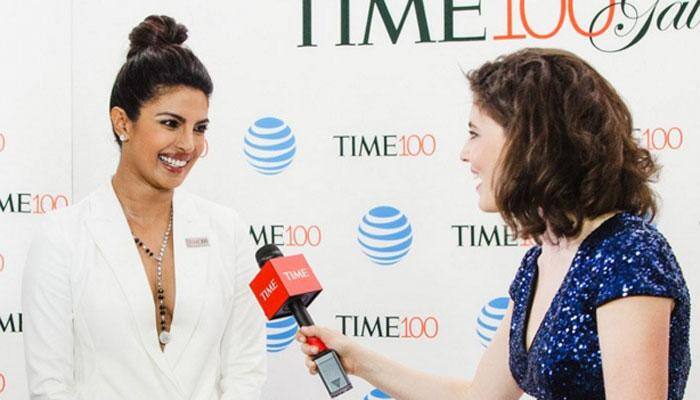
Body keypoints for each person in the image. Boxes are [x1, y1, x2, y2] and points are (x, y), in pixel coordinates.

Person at [297, 48, 690, 400]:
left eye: (474, 134)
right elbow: (477, 397)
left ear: (529, 141)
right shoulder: (541, 259)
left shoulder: (627, 253)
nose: (465, 154)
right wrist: (356, 359)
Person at [22, 15, 266, 400]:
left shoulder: (226, 230)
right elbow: (50, 386)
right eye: (171, 123)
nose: (188, 144)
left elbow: (244, 371)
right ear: (123, 122)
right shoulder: (62, 237)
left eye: (200, 128)